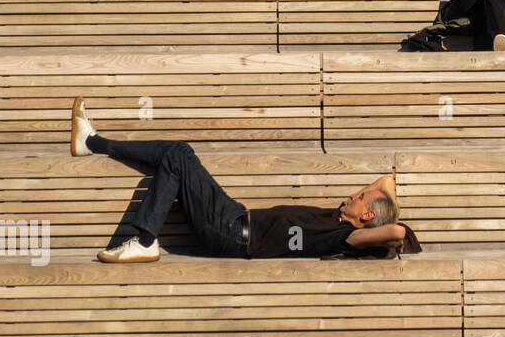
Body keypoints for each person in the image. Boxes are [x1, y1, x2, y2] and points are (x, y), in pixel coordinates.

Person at [69, 98, 415, 264]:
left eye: (360, 196)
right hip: (232, 218)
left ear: (367, 217)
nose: (353, 193)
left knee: (176, 153)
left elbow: (396, 230)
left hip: (231, 234)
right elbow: (387, 181)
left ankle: (142, 235)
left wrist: (381, 212)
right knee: (177, 161)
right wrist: (376, 199)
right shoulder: (345, 219)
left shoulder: (348, 236)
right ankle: (93, 146)